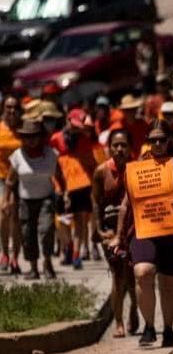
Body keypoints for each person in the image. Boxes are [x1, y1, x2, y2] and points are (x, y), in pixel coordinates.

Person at [112, 122, 173, 348]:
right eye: (153, 140)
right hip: (143, 230)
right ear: (148, 141)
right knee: (143, 272)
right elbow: (126, 204)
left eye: (162, 139)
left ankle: (169, 330)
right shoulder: (138, 167)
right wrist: (118, 236)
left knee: (169, 282)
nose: (158, 144)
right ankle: (149, 326)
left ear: (169, 140)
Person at [91, 129, 139, 338]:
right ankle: (118, 321)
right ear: (109, 148)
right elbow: (95, 201)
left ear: (130, 148)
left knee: (134, 275)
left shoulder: (136, 169)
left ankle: (134, 310)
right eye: (115, 145)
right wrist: (98, 229)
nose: (119, 149)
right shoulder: (101, 172)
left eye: (124, 145)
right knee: (118, 275)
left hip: (134, 229)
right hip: (110, 231)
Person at [5, 119, 63, 279]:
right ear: (22, 137)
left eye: (34, 136)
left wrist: (64, 193)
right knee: (27, 233)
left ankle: (48, 262)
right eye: (27, 136)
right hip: (25, 200)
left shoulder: (51, 154)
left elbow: (59, 175)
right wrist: (6, 200)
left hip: (46, 199)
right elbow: (10, 180)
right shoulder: (17, 156)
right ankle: (33, 268)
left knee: (46, 230)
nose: (30, 140)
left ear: (40, 137)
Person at [49, 108, 99, 269]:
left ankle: (76, 254)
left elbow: (91, 163)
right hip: (61, 186)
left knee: (79, 220)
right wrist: (58, 186)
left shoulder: (85, 139)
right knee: (62, 221)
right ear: (67, 119)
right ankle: (68, 246)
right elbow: (52, 164)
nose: (76, 129)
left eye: (79, 126)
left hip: (81, 185)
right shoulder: (56, 139)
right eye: (74, 125)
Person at [0, 96, 22, 274]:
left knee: (17, 219)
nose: (12, 111)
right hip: (1, 178)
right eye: (8, 107)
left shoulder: (24, 129)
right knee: (3, 216)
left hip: (21, 179)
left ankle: (15, 256)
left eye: (15, 107)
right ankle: (4, 253)